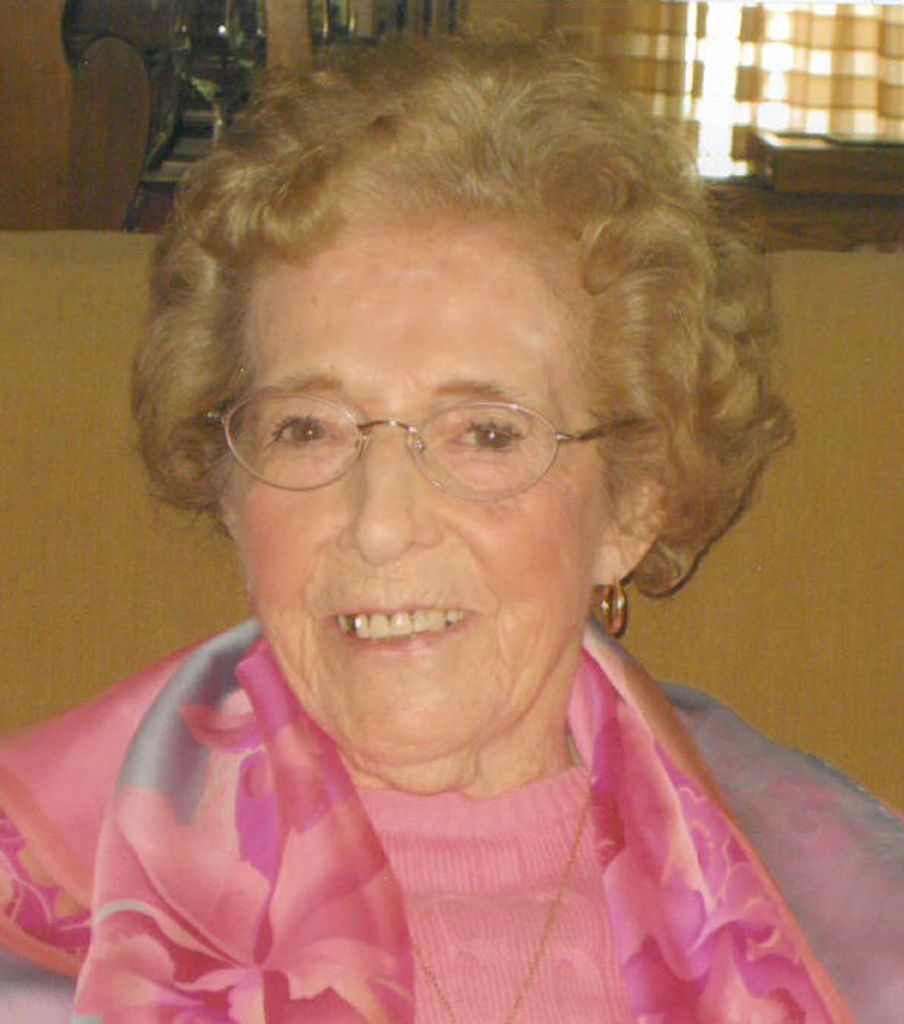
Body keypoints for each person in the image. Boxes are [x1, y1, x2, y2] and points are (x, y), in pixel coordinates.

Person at [1, 34, 902, 1024]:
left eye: (485, 433)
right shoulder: (37, 905)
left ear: (632, 506)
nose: (381, 526)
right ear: (229, 487)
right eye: (307, 428)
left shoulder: (839, 917)